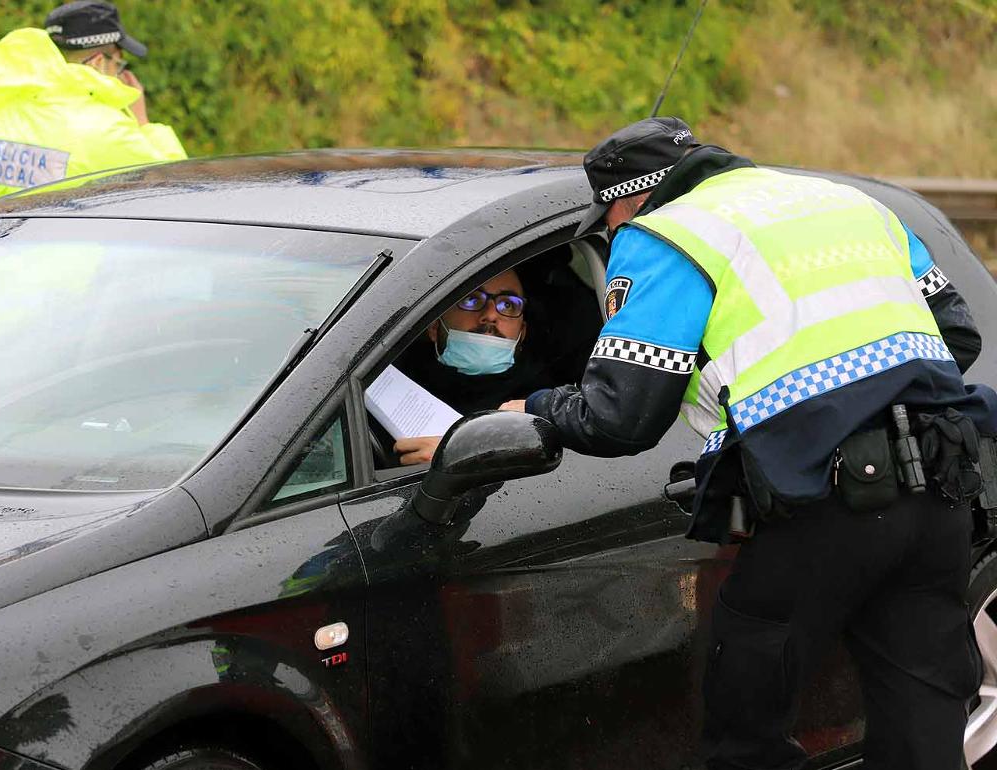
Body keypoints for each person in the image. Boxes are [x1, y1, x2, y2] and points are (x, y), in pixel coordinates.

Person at [501, 116, 996, 770]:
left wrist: (531, 406)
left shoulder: (666, 235)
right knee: (924, 721)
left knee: (746, 719)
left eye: (608, 220)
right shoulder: (851, 204)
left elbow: (621, 416)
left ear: (629, 200)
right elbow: (958, 338)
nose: (612, 232)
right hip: (940, 492)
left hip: (826, 502)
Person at [0, 1, 187, 218]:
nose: (120, 74)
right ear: (99, 63)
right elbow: (177, 189)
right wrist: (144, 122)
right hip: (68, 273)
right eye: (119, 64)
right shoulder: (104, 130)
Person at [393, 265, 596, 465]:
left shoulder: (549, 404)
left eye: (508, 305)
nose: (490, 314)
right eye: (471, 300)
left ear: (522, 332)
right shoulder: (387, 380)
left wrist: (462, 452)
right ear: (435, 327)